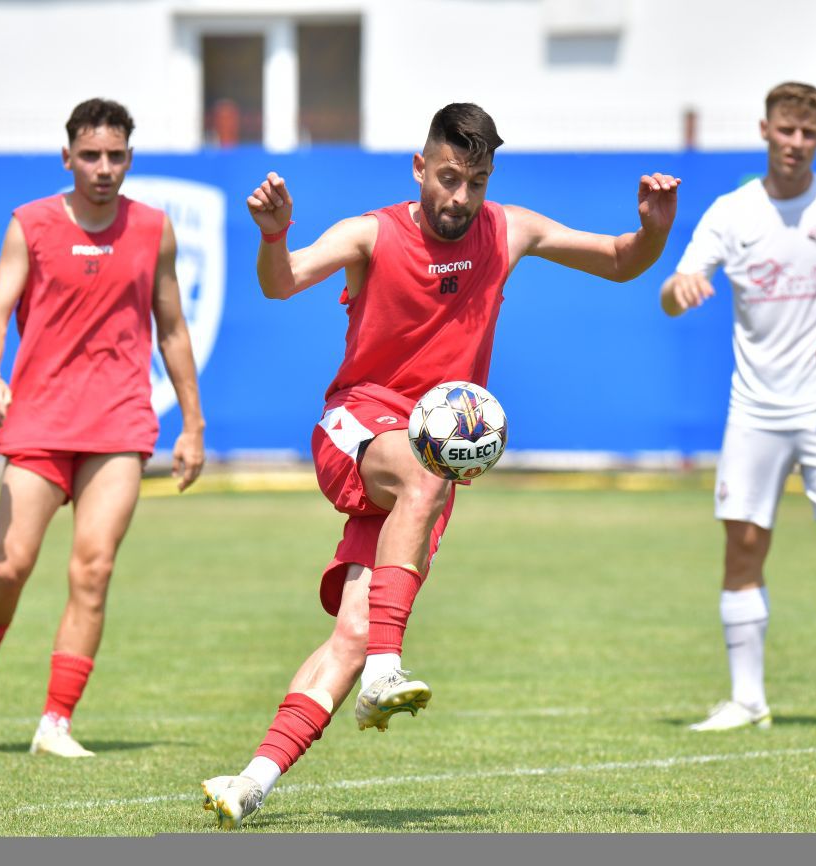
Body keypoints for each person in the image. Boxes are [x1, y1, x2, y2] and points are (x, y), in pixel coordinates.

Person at [200, 102, 680, 828]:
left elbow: (619, 262)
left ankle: (250, 782)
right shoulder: (373, 233)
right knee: (426, 475)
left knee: (354, 635)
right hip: (359, 423)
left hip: (425, 462)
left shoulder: (508, 229)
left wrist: (654, 230)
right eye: (449, 177)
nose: (461, 197)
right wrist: (274, 235)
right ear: (419, 167)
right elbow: (282, 279)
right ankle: (388, 670)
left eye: (476, 181)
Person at [0, 98, 206, 758]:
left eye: (116, 156)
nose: (103, 167)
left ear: (131, 160)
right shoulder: (29, 224)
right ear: (68, 158)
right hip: (39, 418)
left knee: (93, 569)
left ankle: (55, 723)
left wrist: (193, 426)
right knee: (9, 568)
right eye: (91, 155)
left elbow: (172, 330)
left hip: (119, 421)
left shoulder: (153, 229)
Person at [660, 82, 816, 734]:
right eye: (786, 130)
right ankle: (747, 701)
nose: (796, 143)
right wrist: (680, 287)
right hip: (756, 410)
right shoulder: (731, 212)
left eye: (809, 134)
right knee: (743, 546)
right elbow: (669, 291)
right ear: (765, 130)